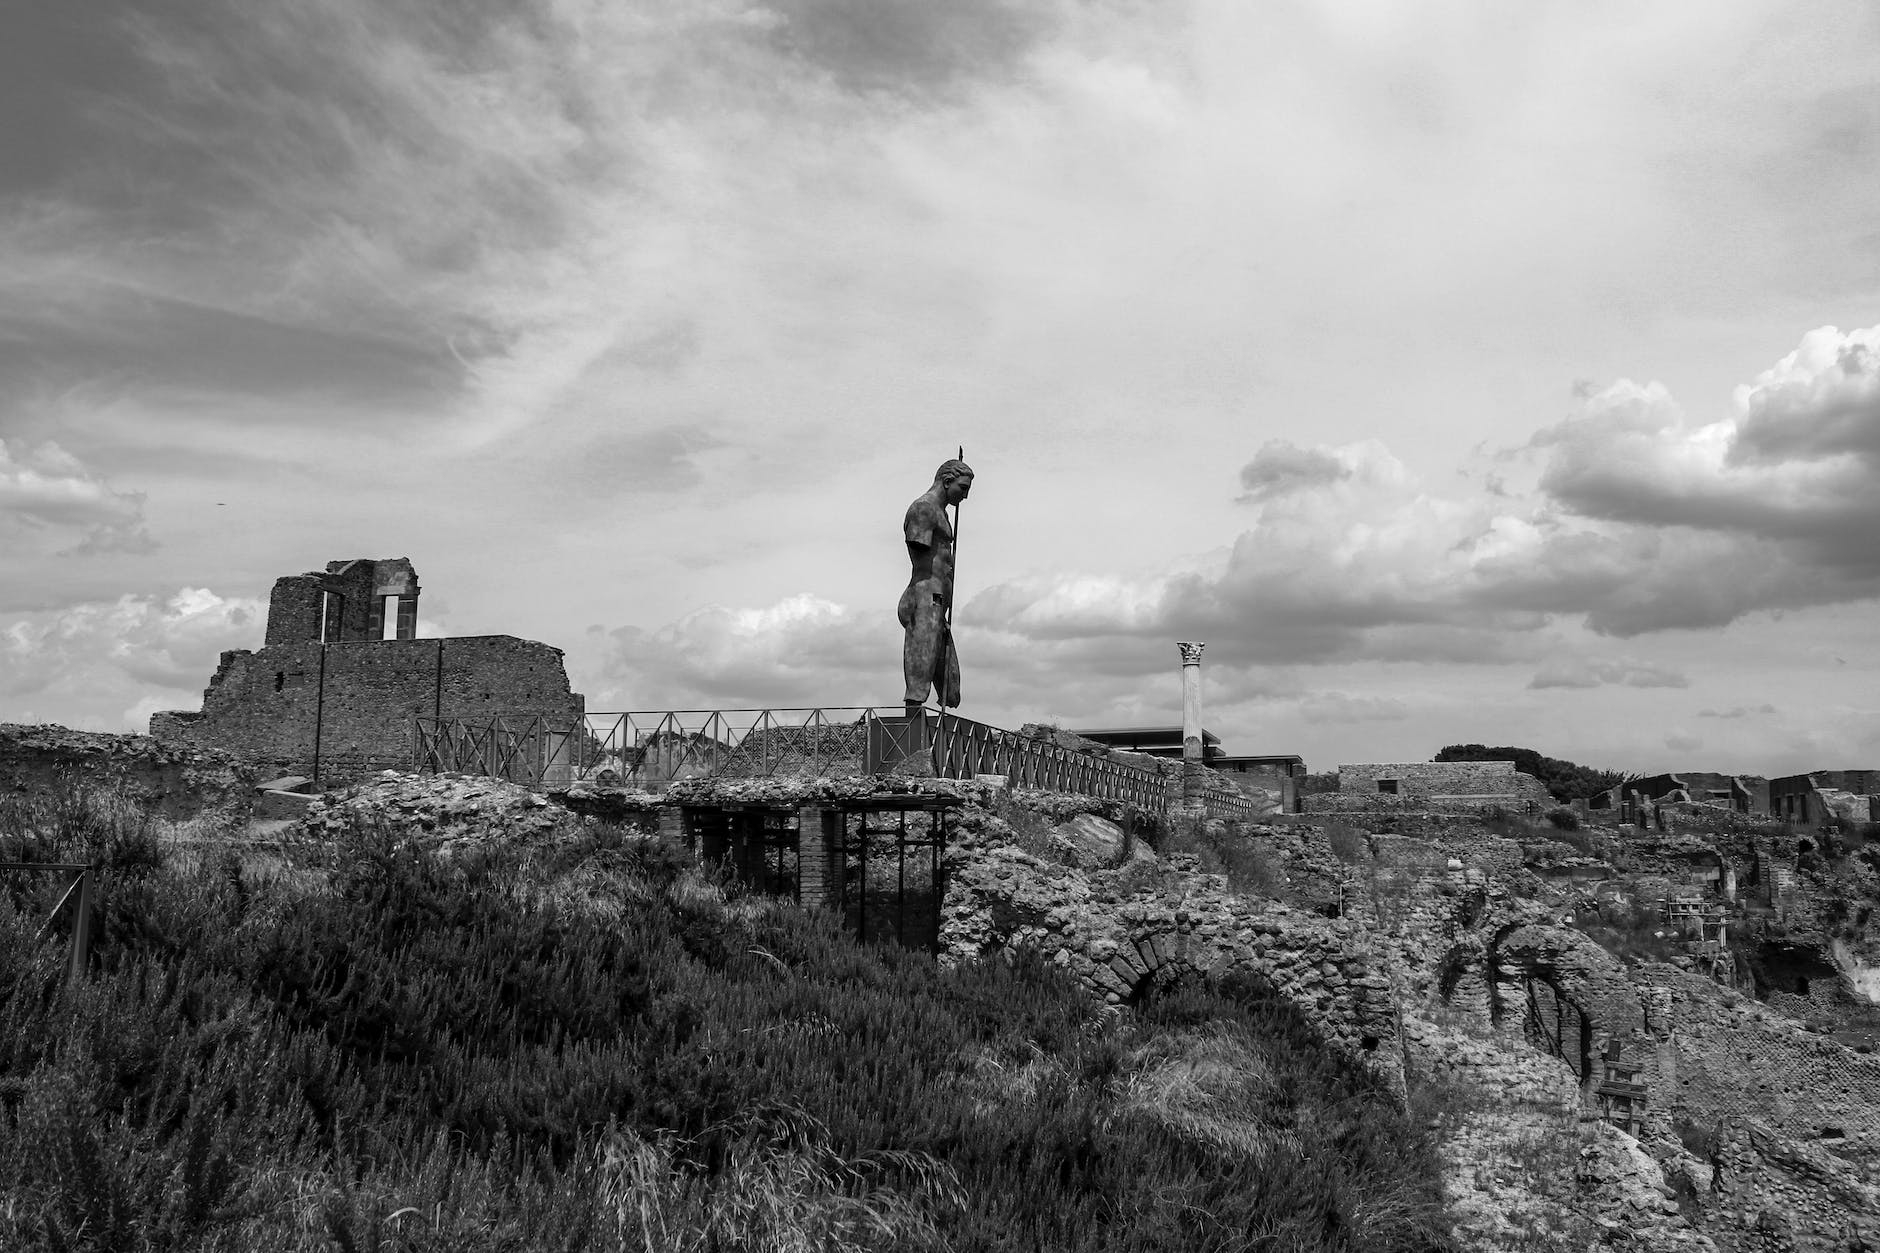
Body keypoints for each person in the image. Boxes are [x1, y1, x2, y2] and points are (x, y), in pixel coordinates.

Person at [899, 458, 973, 713]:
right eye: (963, 488)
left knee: (948, 674)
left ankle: (938, 709)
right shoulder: (924, 508)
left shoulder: (940, 512)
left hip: (938, 600)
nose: (965, 496)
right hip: (925, 594)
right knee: (923, 655)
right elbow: (919, 550)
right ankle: (913, 711)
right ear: (947, 480)